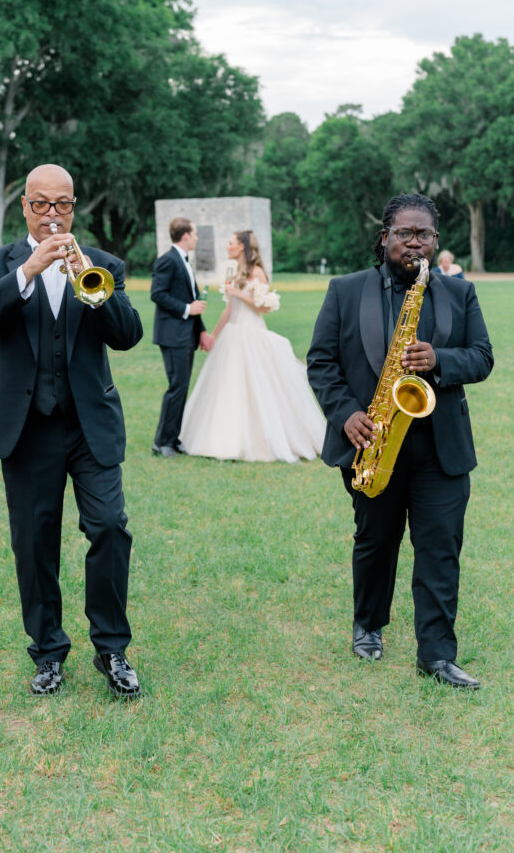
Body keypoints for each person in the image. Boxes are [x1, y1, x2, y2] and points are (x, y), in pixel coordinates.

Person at [0, 164, 143, 699]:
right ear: (24, 206)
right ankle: (47, 653)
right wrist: (29, 272)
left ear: (73, 206)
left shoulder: (102, 264)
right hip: (26, 428)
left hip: (90, 426)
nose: (51, 215)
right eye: (41, 205)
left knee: (110, 527)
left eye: (61, 204)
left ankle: (112, 650)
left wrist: (95, 286)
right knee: (34, 543)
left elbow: (128, 336)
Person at [307, 193, 493, 689]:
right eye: (405, 233)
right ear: (384, 237)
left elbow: (482, 356)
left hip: (440, 447)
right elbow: (320, 362)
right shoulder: (345, 290)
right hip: (372, 441)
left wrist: (440, 361)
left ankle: (436, 654)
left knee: (440, 549)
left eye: (425, 234)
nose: (415, 242)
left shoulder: (459, 292)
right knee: (375, 541)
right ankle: (368, 624)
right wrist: (346, 414)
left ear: (436, 241)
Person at [180, 231, 325, 461]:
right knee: (228, 387)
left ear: (242, 247)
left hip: (252, 333)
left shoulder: (257, 272)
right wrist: (214, 335)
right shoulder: (236, 271)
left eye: (231, 243)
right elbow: (230, 308)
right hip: (232, 334)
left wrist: (238, 293)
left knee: (260, 387)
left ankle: (264, 439)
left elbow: (264, 306)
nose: (227, 246)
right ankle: (223, 439)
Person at [151, 217, 213, 457]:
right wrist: (187, 309)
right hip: (172, 334)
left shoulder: (184, 262)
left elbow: (194, 302)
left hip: (186, 334)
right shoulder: (167, 260)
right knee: (176, 387)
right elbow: (157, 294)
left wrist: (201, 330)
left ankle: (173, 439)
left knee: (182, 387)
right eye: (195, 233)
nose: (197, 238)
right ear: (185, 235)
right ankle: (162, 442)